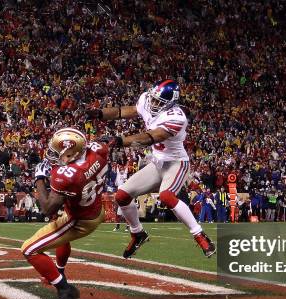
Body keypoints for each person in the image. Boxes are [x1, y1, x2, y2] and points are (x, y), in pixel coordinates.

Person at [87, 79, 215, 258]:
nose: (153, 103)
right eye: (153, 99)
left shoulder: (176, 117)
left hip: (176, 163)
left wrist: (120, 141)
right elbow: (124, 111)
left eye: (158, 102)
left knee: (166, 196)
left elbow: (151, 137)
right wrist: (100, 113)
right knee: (122, 196)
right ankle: (137, 233)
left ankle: (200, 235)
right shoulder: (147, 99)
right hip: (157, 163)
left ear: (170, 103)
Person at [21, 127, 109, 299]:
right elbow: (109, 143)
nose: (53, 156)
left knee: (29, 249)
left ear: (72, 154)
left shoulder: (67, 175)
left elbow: (47, 208)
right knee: (58, 224)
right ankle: (59, 270)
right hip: (96, 208)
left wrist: (39, 178)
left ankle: (64, 289)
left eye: (58, 153)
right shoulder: (99, 150)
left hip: (79, 220)